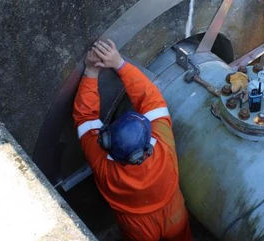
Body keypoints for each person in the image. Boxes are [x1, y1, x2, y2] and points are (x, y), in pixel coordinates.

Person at [72, 39, 192, 241]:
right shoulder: (163, 144)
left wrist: (91, 71)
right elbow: (149, 97)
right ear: (148, 141)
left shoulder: (103, 165)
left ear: (106, 143)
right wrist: (119, 63)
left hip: (138, 229)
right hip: (173, 214)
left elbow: (85, 117)